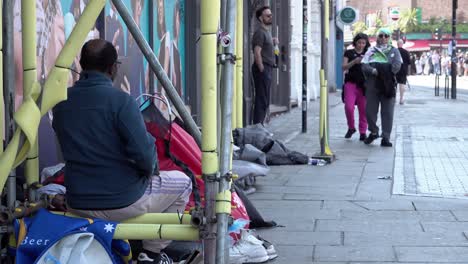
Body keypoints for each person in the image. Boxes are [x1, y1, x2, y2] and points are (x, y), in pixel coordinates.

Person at [52, 39, 192, 264]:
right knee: (184, 182)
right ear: (113, 67)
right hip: (122, 202)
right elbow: (146, 159)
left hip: (77, 202)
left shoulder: (60, 104)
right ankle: (151, 254)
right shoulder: (121, 102)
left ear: (82, 64)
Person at [361, 28, 402, 147]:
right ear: (377, 37)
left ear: (389, 38)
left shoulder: (394, 51)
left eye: (386, 36)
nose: (383, 38)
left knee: (388, 112)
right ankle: (374, 131)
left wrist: (384, 72)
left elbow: (397, 66)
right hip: (372, 84)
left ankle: (386, 137)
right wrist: (374, 70)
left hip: (388, 85)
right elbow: (364, 65)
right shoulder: (371, 50)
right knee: (369, 111)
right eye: (381, 35)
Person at [342, 33, 370, 141]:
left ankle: (363, 132)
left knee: (363, 110)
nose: (361, 45)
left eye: (363, 43)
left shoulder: (368, 53)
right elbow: (343, 67)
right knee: (349, 107)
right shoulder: (349, 53)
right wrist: (354, 61)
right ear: (355, 42)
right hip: (350, 83)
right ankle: (351, 127)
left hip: (364, 85)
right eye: (359, 42)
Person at [252, 6, 276, 124]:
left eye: (271, 15)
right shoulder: (260, 33)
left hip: (267, 68)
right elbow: (257, 52)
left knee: (265, 99)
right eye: (267, 15)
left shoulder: (266, 32)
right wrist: (261, 68)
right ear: (261, 18)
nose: (270, 17)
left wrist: (272, 41)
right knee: (261, 99)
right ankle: (258, 126)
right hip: (263, 68)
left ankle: (260, 125)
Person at [396, 40, 410, 105]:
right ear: (402, 44)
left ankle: (394, 99)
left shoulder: (394, 51)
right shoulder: (406, 52)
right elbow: (409, 62)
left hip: (395, 70)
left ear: (397, 44)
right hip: (403, 70)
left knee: (394, 85)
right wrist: (408, 72)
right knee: (402, 84)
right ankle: (401, 99)